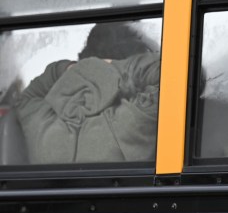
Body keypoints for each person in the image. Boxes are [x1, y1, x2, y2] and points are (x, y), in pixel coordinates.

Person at [14, 22, 160, 164]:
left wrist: (81, 68)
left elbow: (28, 96)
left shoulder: (40, 122)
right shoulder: (135, 119)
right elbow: (168, 71)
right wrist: (110, 67)